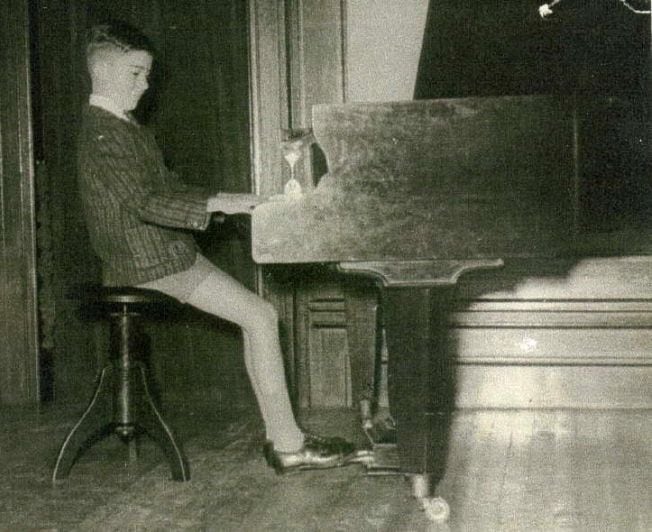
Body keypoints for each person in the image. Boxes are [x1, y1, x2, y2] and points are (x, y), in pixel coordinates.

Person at [78, 20, 356, 474]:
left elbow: (167, 188)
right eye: (136, 73)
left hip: (163, 252)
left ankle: (286, 439)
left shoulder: (122, 127)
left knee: (259, 316)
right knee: (261, 315)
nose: (145, 84)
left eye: (146, 74)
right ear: (103, 71)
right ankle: (288, 444)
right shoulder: (105, 134)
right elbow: (146, 202)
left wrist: (231, 202)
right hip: (145, 261)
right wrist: (216, 202)